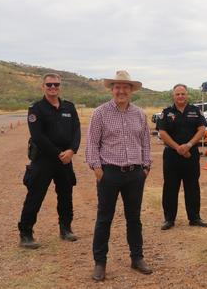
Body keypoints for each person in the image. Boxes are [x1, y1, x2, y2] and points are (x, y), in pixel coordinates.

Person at [85, 70, 153, 281]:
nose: (121, 90)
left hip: (135, 174)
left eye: (125, 87)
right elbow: (92, 143)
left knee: (134, 219)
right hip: (109, 173)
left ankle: (137, 258)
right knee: (104, 218)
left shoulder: (140, 114)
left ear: (131, 90)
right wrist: (97, 169)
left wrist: (145, 168)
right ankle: (100, 263)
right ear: (112, 89)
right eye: (117, 87)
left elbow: (146, 144)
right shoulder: (100, 113)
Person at [18, 73, 81, 249]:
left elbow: (76, 130)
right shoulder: (36, 108)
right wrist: (59, 153)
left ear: (60, 86)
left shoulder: (69, 107)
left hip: (65, 160)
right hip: (44, 160)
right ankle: (26, 234)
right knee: (35, 196)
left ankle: (66, 229)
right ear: (43, 87)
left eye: (56, 84)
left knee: (66, 195)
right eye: (49, 85)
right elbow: (37, 136)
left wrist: (72, 150)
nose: (53, 87)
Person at [156, 84, 207, 230]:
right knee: (170, 187)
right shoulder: (166, 112)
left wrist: (188, 145)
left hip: (191, 155)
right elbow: (162, 132)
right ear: (173, 96)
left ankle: (194, 218)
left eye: (183, 94)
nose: (180, 96)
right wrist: (178, 147)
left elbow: (202, 129)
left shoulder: (195, 111)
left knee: (192, 186)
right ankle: (169, 219)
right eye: (178, 94)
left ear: (187, 95)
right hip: (172, 156)